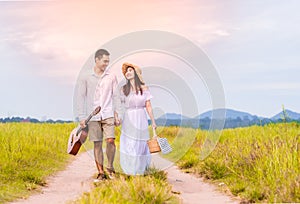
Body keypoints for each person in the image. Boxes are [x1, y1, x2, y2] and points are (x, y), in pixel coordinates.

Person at [77, 49, 120, 181]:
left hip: (108, 113)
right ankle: (101, 173)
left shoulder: (111, 76)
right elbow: (81, 97)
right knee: (97, 143)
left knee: (111, 141)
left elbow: (116, 96)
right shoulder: (86, 77)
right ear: (97, 60)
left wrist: (118, 113)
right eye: (104, 61)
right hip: (93, 116)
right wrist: (81, 116)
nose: (106, 64)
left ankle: (110, 167)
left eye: (108, 61)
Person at [119, 62, 157, 175]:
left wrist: (153, 121)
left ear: (136, 73)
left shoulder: (144, 88)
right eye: (126, 71)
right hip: (128, 118)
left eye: (130, 70)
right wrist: (118, 117)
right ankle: (130, 170)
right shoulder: (123, 89)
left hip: (141, 117)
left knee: (140, 143)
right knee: (129, 142)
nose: (127, 72)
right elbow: (120, 106)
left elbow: (148, 106)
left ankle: (139, 169)